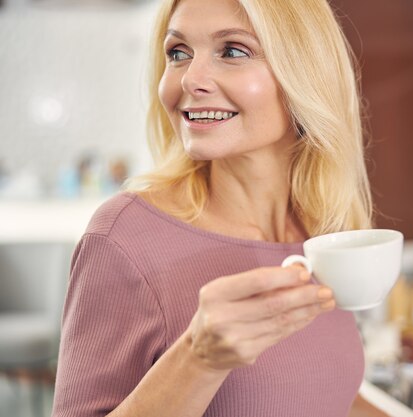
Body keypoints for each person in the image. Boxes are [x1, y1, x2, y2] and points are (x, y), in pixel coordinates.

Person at [51, 0, 378, 416]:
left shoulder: (317, 231)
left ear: (305, 72)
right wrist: (199, 357)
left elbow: (322, 394)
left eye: (232, 51)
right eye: (178, 53)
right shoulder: (123, 237)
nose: (192, 79)